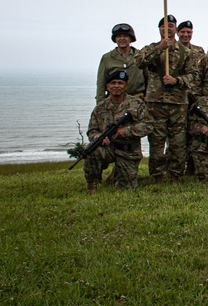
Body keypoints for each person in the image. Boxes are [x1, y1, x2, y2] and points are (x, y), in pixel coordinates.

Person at [136, 14, 198, 183]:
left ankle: (175, 174)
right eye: (164, 26)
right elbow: (139, 62)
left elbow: (194, 75)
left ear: (175, 30)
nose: (167, 28)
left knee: (178, 142)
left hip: (178, 103)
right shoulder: (152, 48)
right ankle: (157, 175)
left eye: (171, 26)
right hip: (156, 102)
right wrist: (159, 48)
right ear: (159, 29)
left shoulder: (186, 53)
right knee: (156, 141)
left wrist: (177, 80)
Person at [83, 70, 154, 193]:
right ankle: (92, 184)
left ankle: (117, 173)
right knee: (92, 150)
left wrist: (127, 131)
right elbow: (92, 130)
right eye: (113, 83)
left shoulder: (137, 104)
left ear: (126, 86)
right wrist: (98, 137)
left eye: (120, 83)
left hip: (128, 150)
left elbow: (148, 125)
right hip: (108, 148)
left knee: (126, 187)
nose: (116, 86)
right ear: (108, 86)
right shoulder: (100, 107)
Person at [95, 23, 145, 102]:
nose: (122, 39)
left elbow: (148, 79)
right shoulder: (107, 58)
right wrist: (100, 105)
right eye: (118, 36)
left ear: (131, 38)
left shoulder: (141, 56)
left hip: (137, 102)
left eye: (125, 36)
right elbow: (101, 83)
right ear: (115, 39)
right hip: (115, 102)